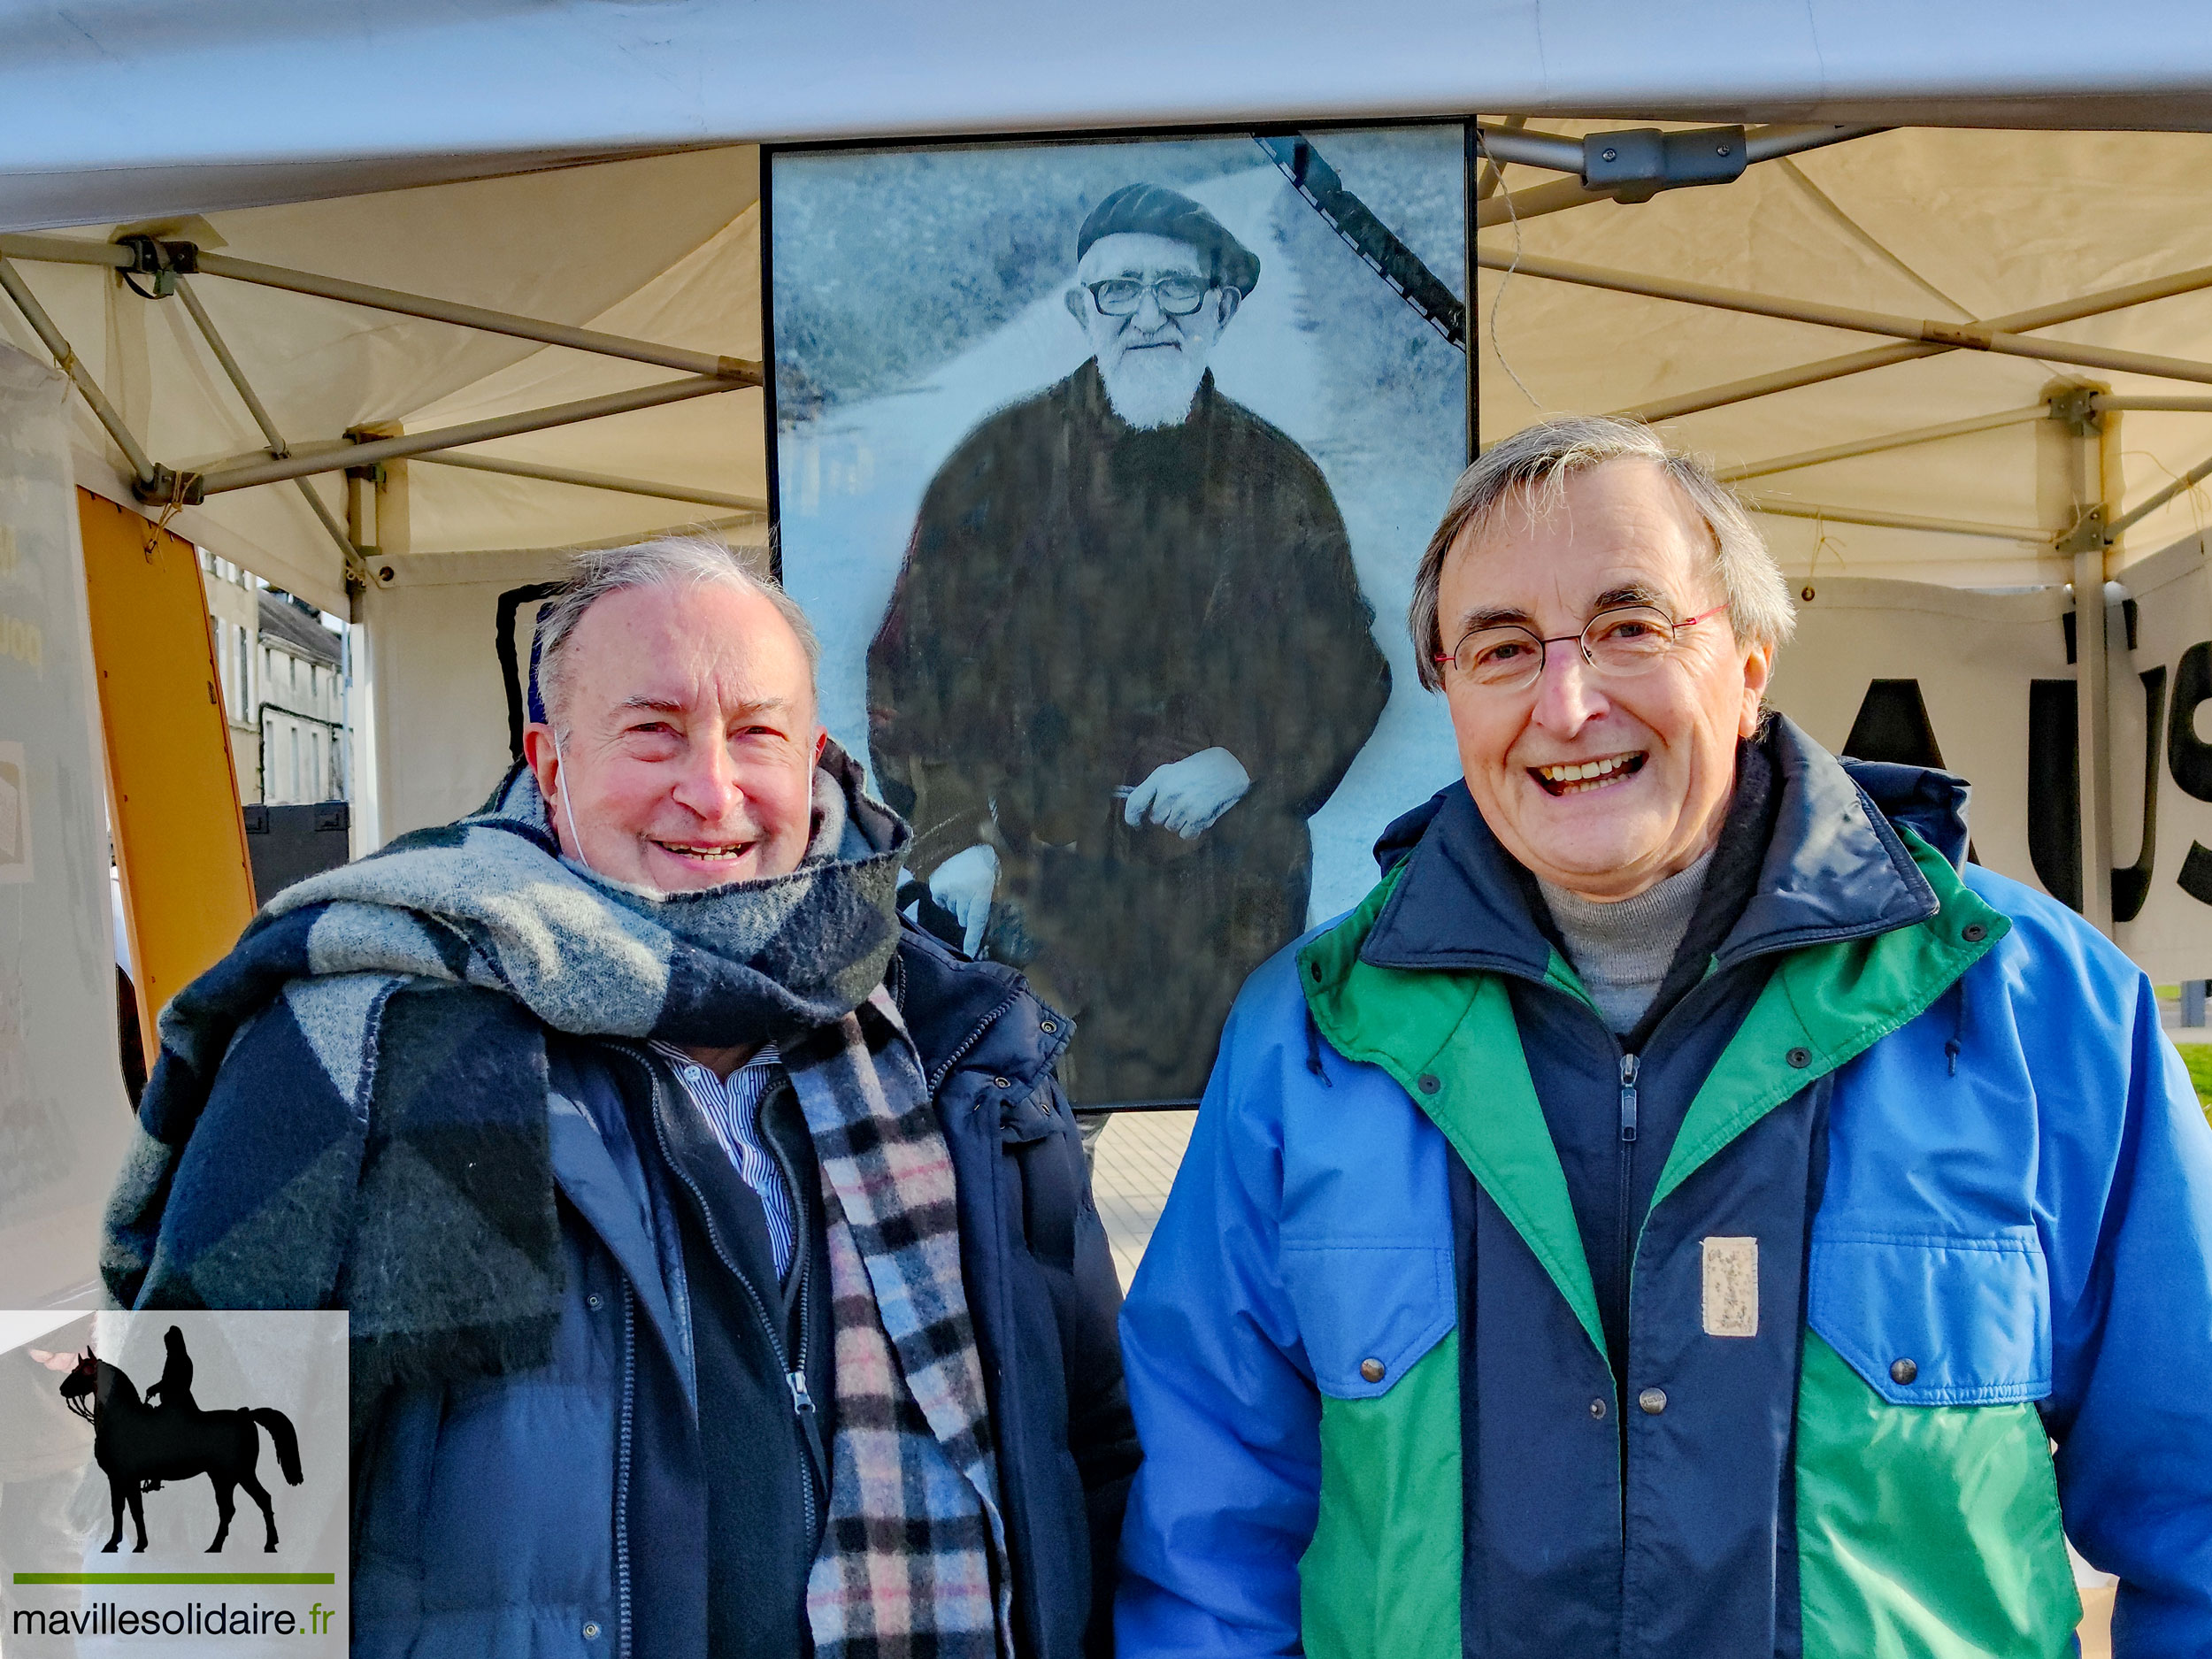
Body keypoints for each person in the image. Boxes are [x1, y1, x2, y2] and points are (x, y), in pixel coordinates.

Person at [1116, 416, 2212, 1655]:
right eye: (1503, 648)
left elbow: (2199, 1510)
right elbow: (1208, 1557)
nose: (1568, 703)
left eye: (1631, 627)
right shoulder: (1306, 1043)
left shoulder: (2043, 1014)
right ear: (1449, 689)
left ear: (1748, 664)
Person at [105, 534, 1137, 1659]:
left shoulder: (959, 1051)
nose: (713, 789)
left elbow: (1091, 1448)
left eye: (757, 732)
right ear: (549, 765)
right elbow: (177, 1561)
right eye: (653, 730)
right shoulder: (353, 1041)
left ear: (817, 759)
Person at [868, 181, 1391, 1106]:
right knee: (1034, 1165)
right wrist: (952, 845)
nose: (1148, 314)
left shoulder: (1277, 478)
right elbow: (912, 679)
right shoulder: (999, 464)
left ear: (1220, 307)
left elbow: (1350, 671)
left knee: (1245, 1148)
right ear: (1080, 308)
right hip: (1039, 904)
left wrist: (1244, 762)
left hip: (1228, 916)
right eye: (1117, 291)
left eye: (1176, 288)